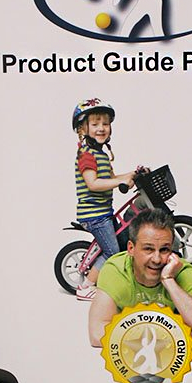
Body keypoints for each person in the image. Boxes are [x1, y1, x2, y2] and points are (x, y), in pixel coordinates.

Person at [88, 208, 192, 348]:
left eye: (164, 250)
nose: (157, 259)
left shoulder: (184, 272)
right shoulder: (114, 270)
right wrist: (165, 334)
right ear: (131, 248)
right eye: (148, 249)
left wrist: (169, 280)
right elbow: (97, 334)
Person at [71, 98, 135, 302]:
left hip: (103, 212)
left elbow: (111, 179)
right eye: (95, 123)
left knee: (123, 240)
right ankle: (86, 286)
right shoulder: (86, 154)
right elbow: (93, 183)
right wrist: (119, 183)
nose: (101, 128)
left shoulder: (100, 154)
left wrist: (132, 174)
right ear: (83, 128)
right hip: (94, 215)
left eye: (105, 124)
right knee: (112, 252)